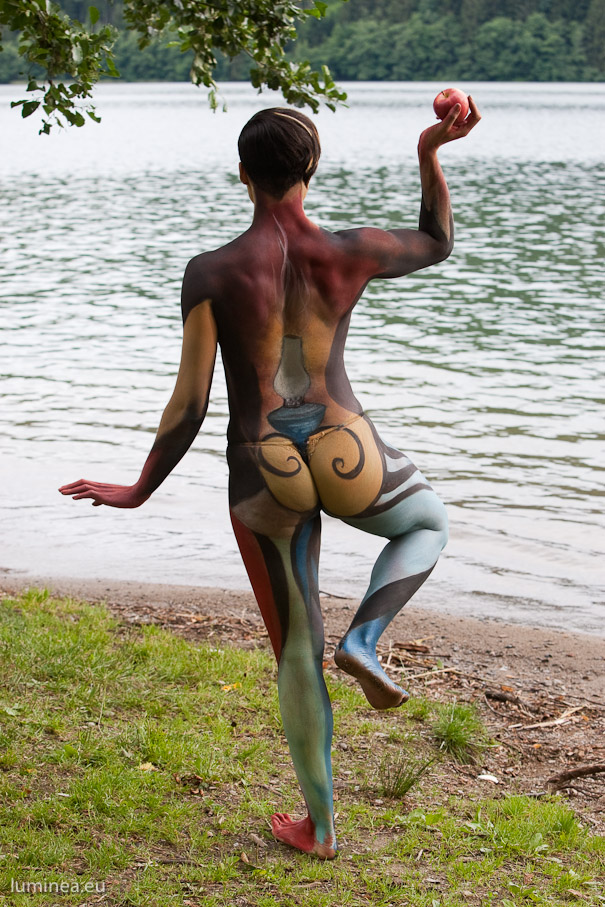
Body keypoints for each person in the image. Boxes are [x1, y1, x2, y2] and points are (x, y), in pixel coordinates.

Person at [60, 97, 480, 859]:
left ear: (242, 175)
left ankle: (320, 826)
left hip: (263, 467)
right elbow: (436, 242)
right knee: (426, 522)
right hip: (348, 445)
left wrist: (139, 487)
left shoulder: (211, 272)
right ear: (311, 167)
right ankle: (366, 636)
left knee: (295, 649)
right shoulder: (349, 251)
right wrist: (428, 153)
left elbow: (189, 403)